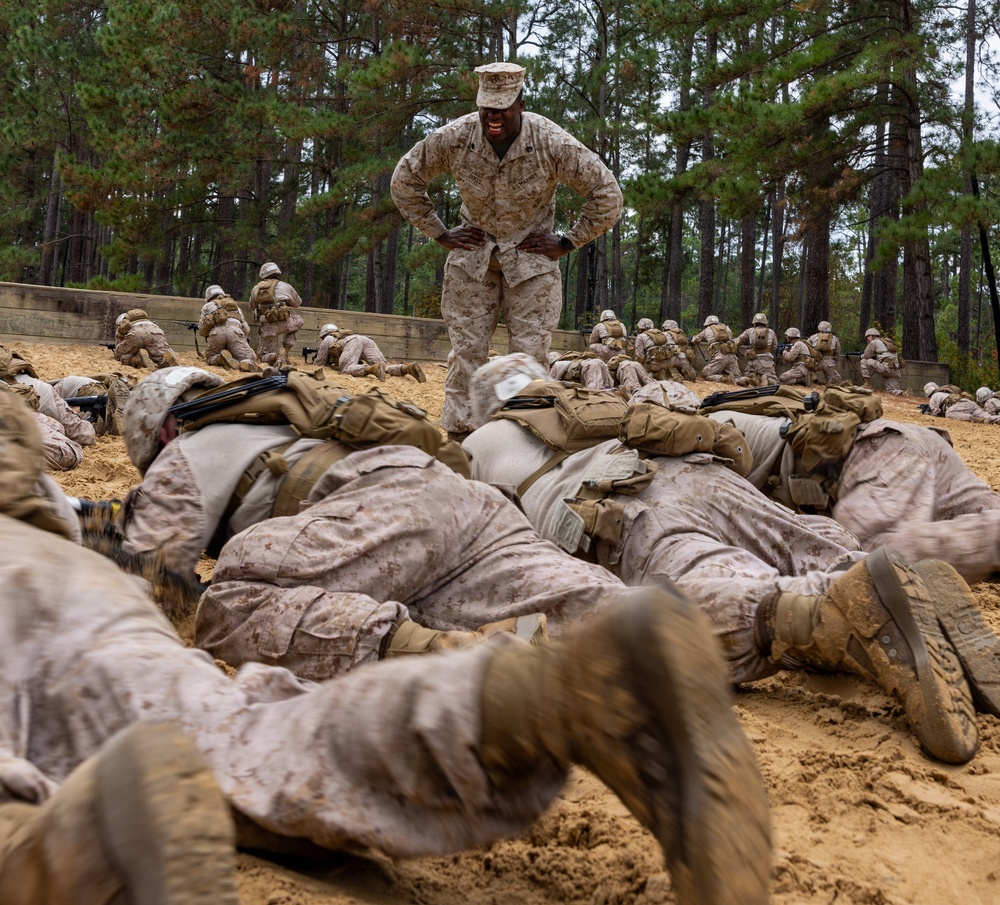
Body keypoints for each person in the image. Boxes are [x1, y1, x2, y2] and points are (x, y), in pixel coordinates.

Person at [0, 389, 772, 905]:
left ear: (159, 426)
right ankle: (558, 689)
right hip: (469, 508)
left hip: (376, 520)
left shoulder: (186, 451)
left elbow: (162, 570)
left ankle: (60, 848)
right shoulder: (296, 412)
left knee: (236, 602)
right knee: (250, 731)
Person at [464, 357, 982, 764]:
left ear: (487, 407)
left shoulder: (480, 443)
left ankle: (827, 610)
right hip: (701, 470)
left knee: (715, 579)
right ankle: (888, 582)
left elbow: (491, 545)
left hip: (621, 508)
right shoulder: (599, 402)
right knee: (806, 543)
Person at [390, 62, 623, 440]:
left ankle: (523, 443)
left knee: (528, 362)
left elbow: (607, 194)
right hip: (472, 262)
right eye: (487, 107)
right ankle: (461, 444)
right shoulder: (456, 137)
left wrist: (568, 241)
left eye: (502, 107)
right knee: (466, 357)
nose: (493, 116)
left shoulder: (551, 141)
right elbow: (404, 180)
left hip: (532, 266)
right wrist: (440, 233)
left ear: (521, 103)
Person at [315, 323, 426, 382]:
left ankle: (371, 369)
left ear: (324, 334)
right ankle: (406, 368)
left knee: (346, 368)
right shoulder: (344, 335)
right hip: (366, 340)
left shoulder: (328, 338)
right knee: (384, 367)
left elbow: (320, 361)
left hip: (353, 342)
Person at [249, 262, 304, 367]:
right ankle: (285, 350)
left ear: (263, 274)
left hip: (268, 327)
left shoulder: (256, 288)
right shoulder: (286, 286)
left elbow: (252, 307)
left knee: (263, 356)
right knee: (298, 320)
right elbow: (297, 303)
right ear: (277, 273)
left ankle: (275, 356)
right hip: (286, 323)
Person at [198, 285, 261, 373]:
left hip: (216, 333)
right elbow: (246, 328)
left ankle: (219, 358)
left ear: (208, 297)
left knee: (210, 356)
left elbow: (202, 330)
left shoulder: (207, 306)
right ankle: (245, 362)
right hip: (234, 332)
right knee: (248, 357)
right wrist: (243, 337)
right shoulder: (235, 306)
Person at [113, 309, 180, 370]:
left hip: (137, 333)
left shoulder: (122, 323)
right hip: (155, 331)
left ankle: (137, 359)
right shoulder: (148, 321)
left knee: (121, 355)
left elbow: (119, 347)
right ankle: (167, 362)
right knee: (161, 353)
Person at [690, 316, 741, 384]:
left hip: (719, 357)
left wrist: (692, 339)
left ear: (708, 323)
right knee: (738, 376)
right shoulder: (727, 328)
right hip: (732, 356)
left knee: (705, 373)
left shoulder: (707, 329)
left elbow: (696, 339)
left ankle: (724, 379)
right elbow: (732, 339)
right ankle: (746, 380)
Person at [734, 313, 778, 387]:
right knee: (774, 381)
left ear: (754, 322)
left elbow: (738, 341)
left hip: (753, 360)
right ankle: (768, 381)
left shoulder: (750, 331)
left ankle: (750, 380)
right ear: (765, 323)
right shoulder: (771, 332)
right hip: (767, 361)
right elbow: (774, 347)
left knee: (746, 376)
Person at [925, 382, 1000, 424]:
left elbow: (936, 412)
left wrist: (927, 412)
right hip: (968, 402)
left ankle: (976, 419)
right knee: (988, 417)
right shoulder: (943, 393)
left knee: (949, 413)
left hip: (961, 404)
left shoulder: (933, 397)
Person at [860, 327, 903, 395]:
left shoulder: (874, 342)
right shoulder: (887, 342)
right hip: (895, 370)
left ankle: (867, 385)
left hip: (885, 367)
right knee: (891, 390)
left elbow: (866, 356)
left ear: (870, 336)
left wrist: (861, 356)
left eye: (867, 337)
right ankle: (902, 393)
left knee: (864, 361)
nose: (867, 340)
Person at [547, 351, 614, 389]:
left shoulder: (556, 365)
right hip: (598, 362)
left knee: (594, 393)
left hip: (590, 366)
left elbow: (548, 383)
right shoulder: (569, 361)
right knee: (608, 390)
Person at [807, 320, 842, 385]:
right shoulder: (834, 338)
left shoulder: (813, 337)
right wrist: (834, 360)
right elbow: (837, 352)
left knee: (807, 368)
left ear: (819, 328)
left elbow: (807, 348)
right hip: (829, 363)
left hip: (816, 362)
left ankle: (813, 377)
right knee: (835, 381)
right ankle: (830, 386)